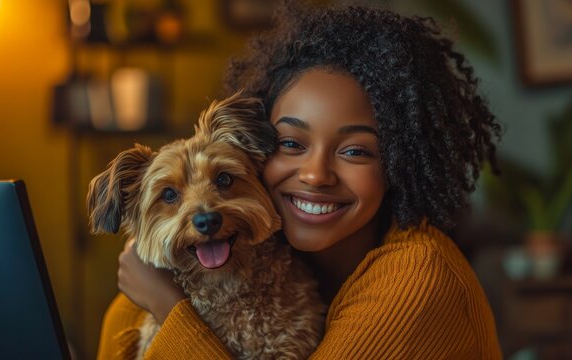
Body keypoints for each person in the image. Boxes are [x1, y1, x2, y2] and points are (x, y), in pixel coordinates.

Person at [97, 3, 503, 359]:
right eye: (291, 142)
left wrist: (169, 308)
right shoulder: (263, 256)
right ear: (259, 152)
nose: (314, 175)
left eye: (355, 150)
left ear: (398, 161)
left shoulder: (417, 280)